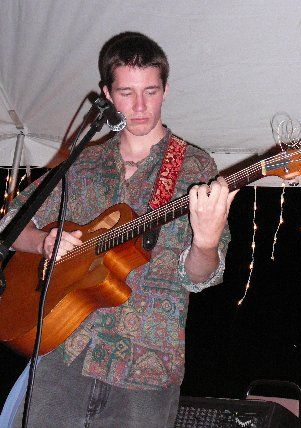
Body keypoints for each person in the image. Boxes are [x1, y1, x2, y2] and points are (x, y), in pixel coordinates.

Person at [0, 32, 236, 427]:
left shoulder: (194, 168)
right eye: (127, 93)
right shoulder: (82, 162)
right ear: (107, 95)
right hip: (64, 350)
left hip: (145, 366)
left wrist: (207, 242)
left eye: (151, 91)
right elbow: (10, 225)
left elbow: (201, 277)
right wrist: (43, 241)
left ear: (165, 90)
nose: (141, 107)